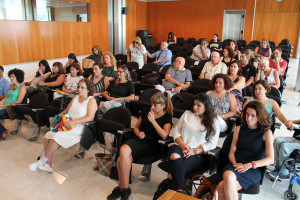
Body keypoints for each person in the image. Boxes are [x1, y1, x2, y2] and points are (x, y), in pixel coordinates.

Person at [107, 92, 173, 200]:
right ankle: (125, 189)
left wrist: (153, 121)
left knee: (121, 156)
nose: (151, 107)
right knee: (123, 154)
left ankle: (121, 188)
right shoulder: (146, 111)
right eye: (151, 104)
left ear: (163, 106)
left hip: (153, 144)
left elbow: (165, 135)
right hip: (139, 139)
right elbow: (136, 127)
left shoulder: (167, 116)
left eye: (155, 105)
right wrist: (138, 133)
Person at [29, 79, 97, 172]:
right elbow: (66, 111)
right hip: (66, 124)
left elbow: (90, 117)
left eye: (82, 87)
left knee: (55, 136)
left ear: (88, 89)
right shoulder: (76, 97)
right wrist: (59, 116)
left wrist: (74, 122)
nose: (79, 89)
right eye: (78, 87)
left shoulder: (91, 100)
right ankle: (49, 165)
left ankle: (42, 161)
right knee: (48, 135)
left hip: (78, 128)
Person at [217, 101, 274, 200]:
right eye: (247, 114)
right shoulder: (239, 129)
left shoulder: (267, 133)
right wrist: (235, 164)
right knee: (227, 176)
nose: (249, 118)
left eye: (253, 116)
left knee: (222, 186)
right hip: (235, 165)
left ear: (259, 117)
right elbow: (231, 153)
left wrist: (250, 165)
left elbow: (270, 159)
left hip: (253, 168)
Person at [167, 93, 220, 192]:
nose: (195, 107)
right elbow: (176, 130)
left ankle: (176, 191)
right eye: (194, 104)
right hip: (179, 145)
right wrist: (182, 145)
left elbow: (212, 143)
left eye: (199, 105)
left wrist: (194, 151)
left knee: (172, 174)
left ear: (206, 107)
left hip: (198, 153)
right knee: (174, 156)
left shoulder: (213, 121)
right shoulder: (187, 114)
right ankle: (180, 191)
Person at [0, 69, 26, 141]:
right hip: (4, 106)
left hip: (11, 108)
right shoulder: (11, 85)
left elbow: (18, 101)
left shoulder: (22, 87)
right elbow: (6, 97)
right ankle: (3, 130)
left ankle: (2, 131)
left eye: (13, 77)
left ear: (18, 77)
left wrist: (3, 105)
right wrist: (1, 103)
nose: (11, 79)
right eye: (10, 77)